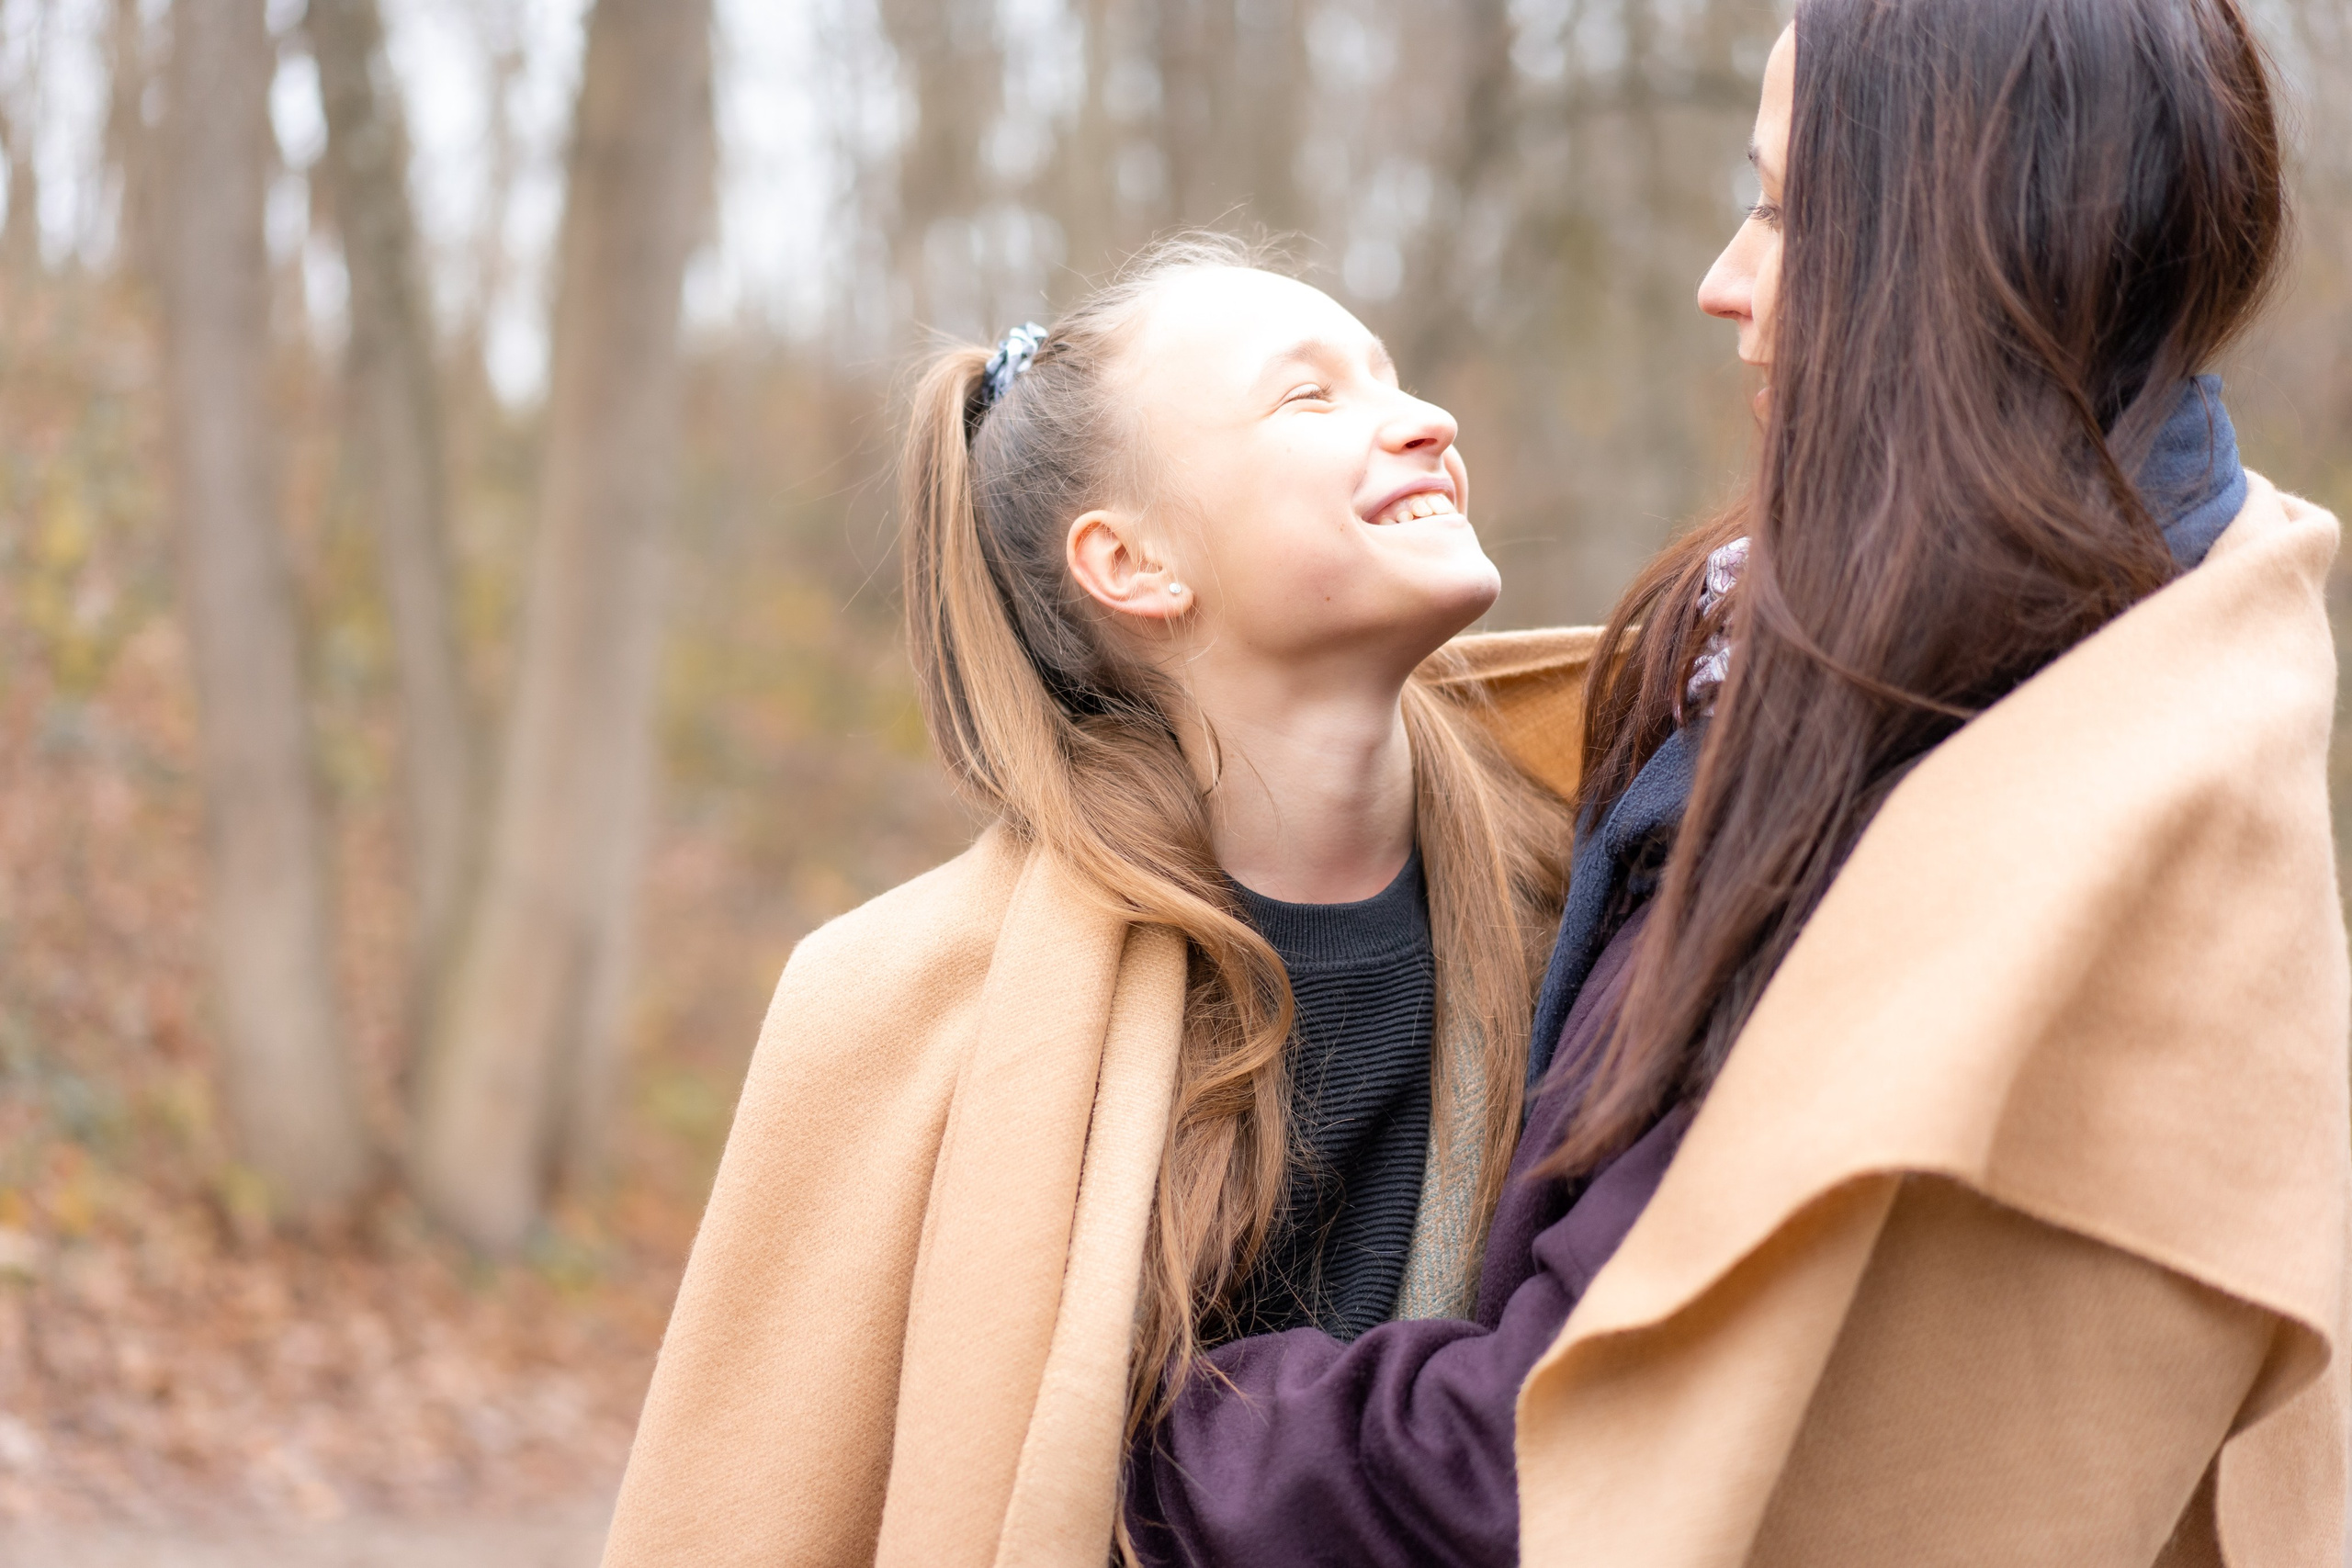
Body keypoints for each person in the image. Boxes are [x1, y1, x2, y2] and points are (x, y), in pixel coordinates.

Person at [1125, 2, 2349, 1564]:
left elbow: (1554, 1456)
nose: (1725, 280)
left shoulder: (1997, 807)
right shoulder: (1913, 671)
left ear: (1952, 256)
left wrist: (1117, 1424)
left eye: (1784, 207)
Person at [599, 236, 1602, 1567]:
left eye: (1394, 377)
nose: (1426, 421)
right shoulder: (899, 1006)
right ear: (1131, 564)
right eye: (1311, 399)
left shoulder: (1594, 903)